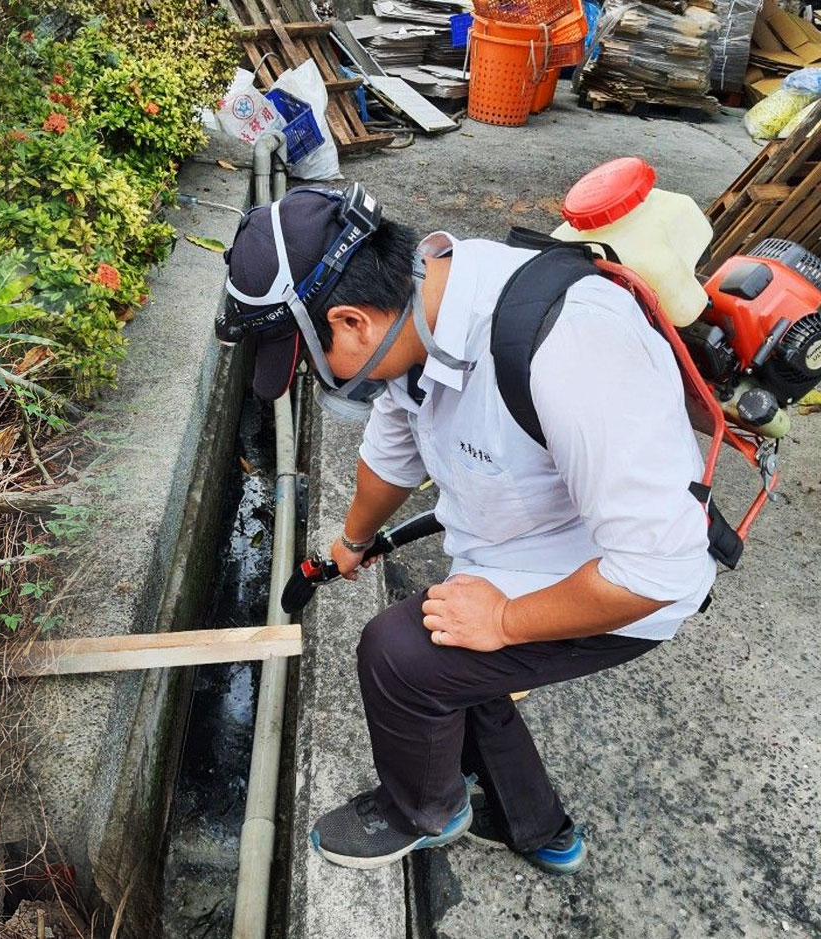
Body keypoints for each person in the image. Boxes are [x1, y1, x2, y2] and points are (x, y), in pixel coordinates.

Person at [217, 186, 715, 874]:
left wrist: (506, 619)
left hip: (617, 585)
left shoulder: (571, 348)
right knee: (459, 653)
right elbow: (392, 452)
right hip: (515, 548)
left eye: (308, 359)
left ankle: (423, 810)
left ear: (352, 321)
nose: (314, 374)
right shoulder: (421, 313)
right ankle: (535, 827)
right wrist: (352, 541)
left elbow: (659, 571)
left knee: (399, 656)